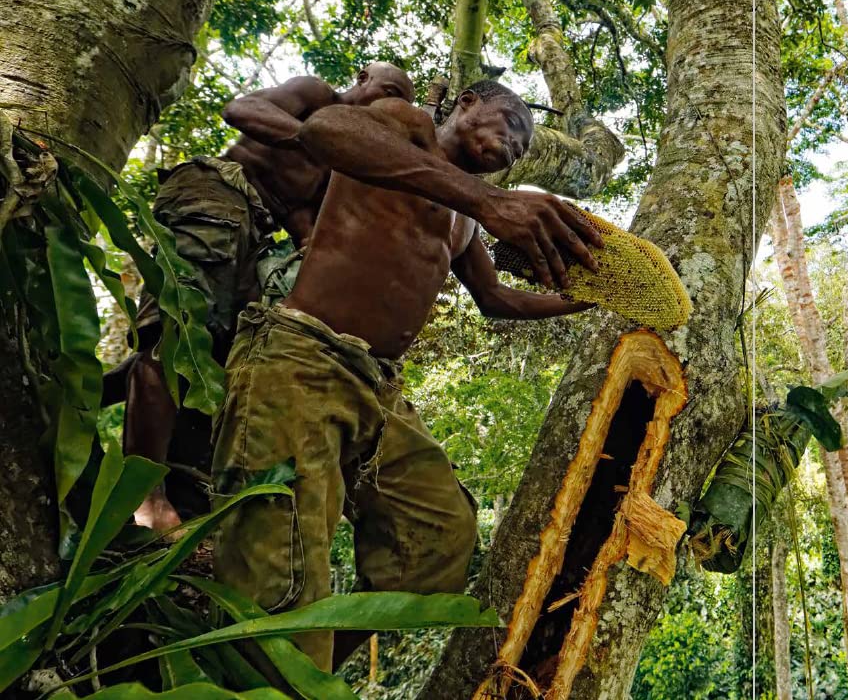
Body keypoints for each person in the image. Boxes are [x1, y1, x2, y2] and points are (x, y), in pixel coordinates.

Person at [209, 79, 602, 671]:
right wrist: (490, 201)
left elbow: (497, 300)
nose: (515, 146)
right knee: (279, 576)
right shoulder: (403, 123)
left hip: (378, 387)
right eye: (510, 124)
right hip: (301, 358)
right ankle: (281, 669)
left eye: (523, 145)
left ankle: (308, 670)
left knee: (439, 539)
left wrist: (592, 300)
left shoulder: (466, 220)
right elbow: (326, 131)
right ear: (466, 103)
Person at [108, 63, 415, 532]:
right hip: (218, 191)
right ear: (361, 79)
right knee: (178, 335)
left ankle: (92, 393)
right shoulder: (316, 97)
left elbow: (305, 227)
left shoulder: (342, 167)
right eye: (387, 90)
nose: (386, 104)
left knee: (226, 351)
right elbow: (241, 109)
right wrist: (316, 136)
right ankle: (143, 498)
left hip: (257, 232)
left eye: (399, 103)